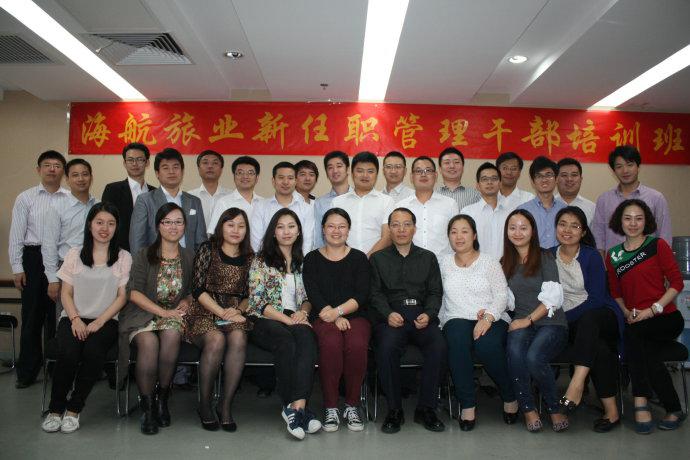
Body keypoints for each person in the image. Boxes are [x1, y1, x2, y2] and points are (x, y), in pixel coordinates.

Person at [41, 203, 131, 433]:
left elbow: (122, 297)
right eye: (99, 222)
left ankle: (73, 409)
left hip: (106, 321)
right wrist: (75, 319)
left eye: (111, 224)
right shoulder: (74, 254)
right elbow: (66, 293)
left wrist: (100, 321)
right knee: (68, 353)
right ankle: (55, 409)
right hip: (73, 318)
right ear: (90, 224)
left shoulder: (123, 257)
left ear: (117, 228)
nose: (104, 228)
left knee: (93, 353)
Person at [605, 199, 685, 434]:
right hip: (636, 320)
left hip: (665, 317)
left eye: (638, 218)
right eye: (628, 218)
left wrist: (652, 310)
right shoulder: (613, 255)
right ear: (620, 221)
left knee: (634, 335)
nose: (633, 223)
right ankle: (674, 408)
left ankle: (640, 399)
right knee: (647, 352)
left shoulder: (657, 245)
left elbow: (677, 283)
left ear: (646, 221)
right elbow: (615, 292)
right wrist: (625, 312)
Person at [117, 203, 195, 435]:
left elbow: (193, 291)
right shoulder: (143, 254)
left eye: (178, 222)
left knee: (172, 334)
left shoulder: (189, 256)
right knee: (149, 343)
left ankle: (162, 397)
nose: (173, 227)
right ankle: (148, 406)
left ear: (185, 226)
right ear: (158, 226)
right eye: (167, 222)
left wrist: (187, 301)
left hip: (174, 314)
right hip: (142, 313)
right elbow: (133, 293)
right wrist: (163, 312)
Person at [370, 208, 446, 434]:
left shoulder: (428, 257)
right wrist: (387, 314)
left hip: (421, 315)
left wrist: (429, 314)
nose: (401, 229)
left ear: (414, 228)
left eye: (406, 224)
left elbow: (435, 292)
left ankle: (426, 408)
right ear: (389, 229)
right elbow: (374, 293)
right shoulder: (378, 259)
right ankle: (394, 410)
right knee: (385, 347)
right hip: (392, 316)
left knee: (439, 345)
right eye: (395, 225)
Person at [247, 209, 321, 440]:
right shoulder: (261, 260)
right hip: (264, 318)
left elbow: (308, 298)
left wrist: (303, 312)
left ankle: (297, 408)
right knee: (286, 341)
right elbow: (257, 301)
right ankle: (293, 406)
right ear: (273, 232)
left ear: (299, 231)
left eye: (291, 226)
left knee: (307, 337)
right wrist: (289, 320)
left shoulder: (303, 261)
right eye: (280, 227)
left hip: (294, 316)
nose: (286, 231)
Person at [439, 214, 518, 431]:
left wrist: (488, 317)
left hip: (491, 316)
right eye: (454, 232)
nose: (459, 236)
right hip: (456, 316)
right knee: (456, 342)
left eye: (464, 231)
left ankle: (509, 395)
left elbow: (501, 295)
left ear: (474, 235)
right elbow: (438, 295)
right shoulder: (443, 263)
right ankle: (467, 405)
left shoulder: (489, 262)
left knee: (486, 345)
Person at [550, 206, 624, 433]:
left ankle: (576, 385)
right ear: (556, 228)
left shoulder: (591, 256)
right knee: (599, 349)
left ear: (583, 232)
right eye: (563, 224)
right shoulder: (548, 256)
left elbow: (596, 299)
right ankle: (612, 411)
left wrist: (564, 319)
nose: (567, 230)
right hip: (574, 324)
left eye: (575, 226)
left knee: (590, 320)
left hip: (602, 316)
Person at [185, 208, 253, 431]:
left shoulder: (250, 256)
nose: (235, 230)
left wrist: (238, 310)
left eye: (241, 226)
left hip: (233, 311)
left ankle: (225, 405)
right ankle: (204, 405)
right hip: (204, 309)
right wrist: (220, 311)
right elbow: (197, 288)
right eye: (230, 224)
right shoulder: (208, 248)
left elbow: (250, 295)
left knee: (239, 337)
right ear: (221, 226)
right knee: (216, 339)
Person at [303, 208, 370, 432]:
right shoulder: (312, 259)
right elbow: (313, 293)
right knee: (331, 342)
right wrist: (332, 315)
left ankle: (352, 405)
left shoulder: (359, 258)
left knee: (356, 344)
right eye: (331, 226)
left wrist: (339, 312)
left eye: (342, 226)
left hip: (355, 315)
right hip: (323, 315)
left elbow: (362, 294)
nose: (336, 231)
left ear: (348, 230)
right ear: (323, 229)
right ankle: (331, 406)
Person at [502, 209, 569, 432]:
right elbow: (505, 299)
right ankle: (528, 409)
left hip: (550, 322)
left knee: (534, 357)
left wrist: (528, 320)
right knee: (515, 352)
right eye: (513, 228)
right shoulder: (505, 262)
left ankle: (554, 408)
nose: (518, 232)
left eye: (524, 228)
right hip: (521, 320)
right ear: (506, 232)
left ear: (533, 231)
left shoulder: (545, 256)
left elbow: (553, 297)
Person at [9, 150, 70, 388]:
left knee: (59, 317)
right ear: (38, 169)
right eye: (47, 165)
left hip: (61, 259)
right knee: (32, 317)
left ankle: (57, 368)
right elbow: (16, 235)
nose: (52, 169)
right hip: (33, 259)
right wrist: (17, 267)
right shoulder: (26, 198)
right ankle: (28, 371)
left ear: (63, 171)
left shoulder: (70, 198)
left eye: (57, 165)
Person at [593, 145, 672, 253]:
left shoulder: (656, 198)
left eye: (630, 165)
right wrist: (601, 262)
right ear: (613, 170)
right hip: (614, 261)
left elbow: (664, 236)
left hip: (646, 261)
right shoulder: (604, 200)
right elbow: (599, 237)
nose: (625, 170)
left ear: (638, 167)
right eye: (619, 166)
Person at [129, 148, 206, 254]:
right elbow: (137, 242)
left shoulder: (195, 201)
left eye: (175, 167)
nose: (171, 172)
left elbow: (201, 241)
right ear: (157, 173)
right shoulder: (145, 201)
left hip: (189, 262)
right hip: (156, 262)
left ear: (182, 171)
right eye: (165, 168)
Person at [42, 159, 98, 297]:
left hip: (96, 267)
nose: (81, 179)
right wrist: (52, 279)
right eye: (75, 175)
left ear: (91, 177)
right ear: (67, 179)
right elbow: (49, 244)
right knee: (66, 309)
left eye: (85, 174)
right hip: (67, 268)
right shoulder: (57, 207)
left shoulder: (99, 205)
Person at [331, 151, 395, 256]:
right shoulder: (337, 202)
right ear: (352, 173)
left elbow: (387, 236)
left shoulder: (387, 201)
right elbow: (333, 234)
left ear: (377, 174)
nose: (365, 175)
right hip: (344, 260)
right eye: (360, 171)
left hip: (376, 260)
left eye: (370, 171)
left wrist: (367, 258)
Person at [397, 156, 458, 257]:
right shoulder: (401, 206)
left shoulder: (450, 204)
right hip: (410, 263)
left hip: (442, 264)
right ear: (411, 177)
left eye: (428, 170)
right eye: (418, 171)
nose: (423, 174)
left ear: (436, 176)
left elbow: (456, 237)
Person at [249, 161, 314, 254]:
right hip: (267, 260)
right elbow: (256, 242)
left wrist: (299, 261)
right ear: (273, 181)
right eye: (281, 177)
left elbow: (307, 242)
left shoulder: (306, 209)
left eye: (290, 178)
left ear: (295, 181)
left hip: (298, 260)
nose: (285, 182)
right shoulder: (260, 206)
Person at [101, 143, 155, 251]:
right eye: (130, 160)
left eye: (139, 159)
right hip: (121, 251)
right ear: (124, 163)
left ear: (147, 163)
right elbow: (107, 222)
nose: (135, 164)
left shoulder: (155, 192)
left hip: (150, 251)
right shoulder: (112, 190)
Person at [461, 162, 511, 260]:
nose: (489, 182)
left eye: (494, 179)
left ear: (500, 184)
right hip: (476, 267)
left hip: (506, 267)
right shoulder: (467, 213)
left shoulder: (510, 212)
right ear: (478, 185)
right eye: (484, 179)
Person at [517, 156, 566, 248]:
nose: (544, 180)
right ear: (533, 181)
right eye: (539, 176)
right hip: (532, 256)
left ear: (556, 179)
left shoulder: (565, 210)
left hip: (559, 256)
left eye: (549, 175)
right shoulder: (523, 210)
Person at [208, 156, 263, 231]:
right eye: (240, 173)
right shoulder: (223, 203)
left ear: (257, 178)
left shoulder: (264, 203)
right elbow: (213, 232)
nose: (245, 176)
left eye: (250, 173)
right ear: (234, 177)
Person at [313, 151, 352, 248]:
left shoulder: (359, 198)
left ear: (347, 169)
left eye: (339, 166)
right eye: (330, 167)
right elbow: (318, 236)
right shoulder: (320, 203)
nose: (335, 171)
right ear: (326, 173)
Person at [188, 150, 231, 229]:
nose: (210, 166)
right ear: (198, 169)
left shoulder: (231, 196)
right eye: (205, 163)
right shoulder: (189, 197)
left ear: (221, 169)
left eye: (215, 163)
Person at [555, 158, 595, 225]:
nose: (569, 179)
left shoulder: (592, 208)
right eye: (564, 175)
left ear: (581, 179)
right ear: (556, 179)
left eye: (574, 175)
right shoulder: (548, 206)